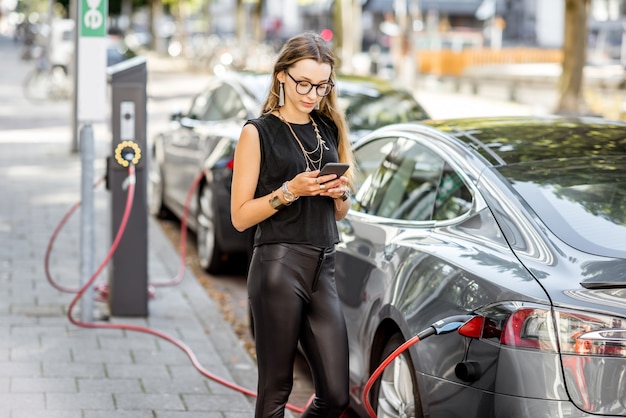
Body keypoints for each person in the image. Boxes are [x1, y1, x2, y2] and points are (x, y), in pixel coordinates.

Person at [230, 32, 354, 418]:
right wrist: (289, 191)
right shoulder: (258, 132)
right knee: (276, 388)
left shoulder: (328, 128)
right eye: (303, 82)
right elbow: (239, 217)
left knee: (336, 395)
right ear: (281, 75)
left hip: (325, 265)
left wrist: (339, 194)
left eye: (321, 85)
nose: (312, 93)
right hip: (279, 266)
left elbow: (340, 214)